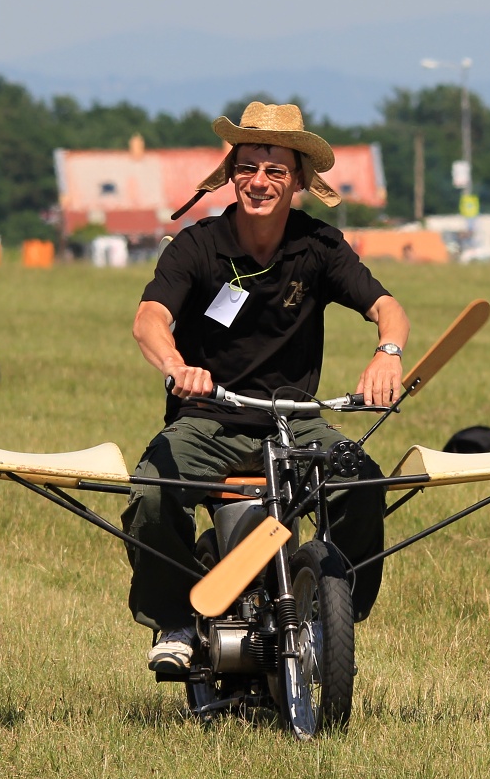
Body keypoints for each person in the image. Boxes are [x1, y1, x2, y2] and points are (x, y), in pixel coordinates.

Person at [126, 101, 410, 673]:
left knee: (362, 479)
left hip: (294, 421)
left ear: (299, 180)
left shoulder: (320, 246)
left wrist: (388, 353)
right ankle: (176, 617)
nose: (259, 182)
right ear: (232, 174)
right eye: (248, 167)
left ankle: (334, 610)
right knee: (152, 491)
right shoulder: (197, 245)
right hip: (208, 418)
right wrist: (178, 365)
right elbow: (149, 318)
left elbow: (387, 306)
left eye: (275, 170)